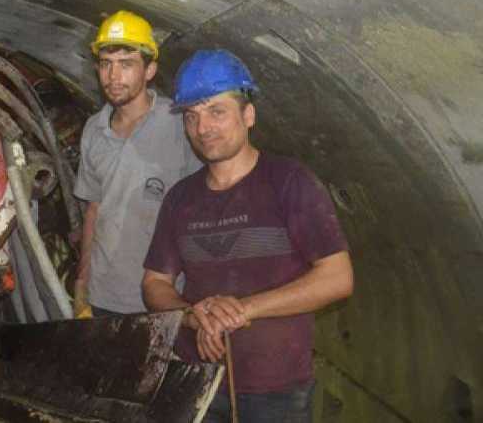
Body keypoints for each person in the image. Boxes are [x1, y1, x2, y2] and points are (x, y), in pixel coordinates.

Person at [142, 49, 354, 422]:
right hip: (197, 381)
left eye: (216, 111)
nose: (202, 127)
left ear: (249, 115)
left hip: (276, 391)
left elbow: (337, 278)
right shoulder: (180, 198)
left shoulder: (289, 182)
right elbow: (155, 283)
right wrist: (194, 316)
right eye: (191, 116)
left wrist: (241, 311)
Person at [73, 10, 200, 317]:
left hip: (163, 298)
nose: (113, 77)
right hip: (103, 295)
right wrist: (82, 282)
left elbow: (207, 204)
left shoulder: (179, 123)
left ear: (150, 69)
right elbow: (94, 210)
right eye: (106, 64)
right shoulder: (94, 129)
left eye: (126, 64)